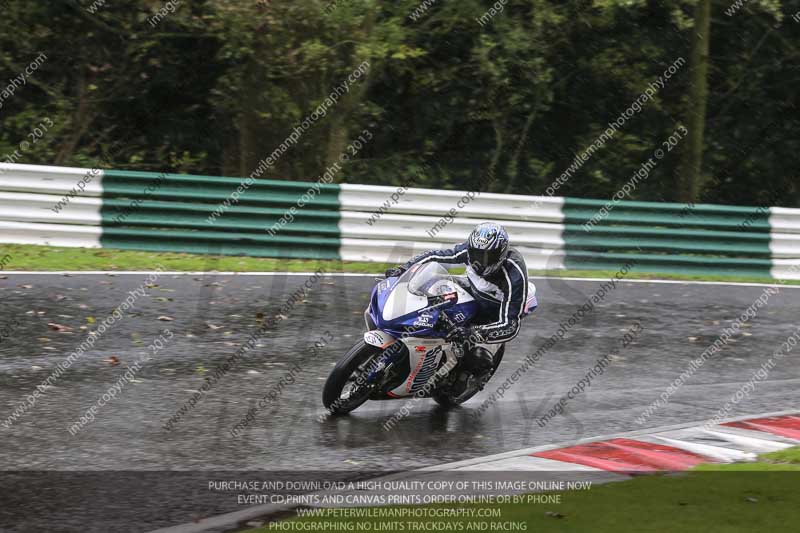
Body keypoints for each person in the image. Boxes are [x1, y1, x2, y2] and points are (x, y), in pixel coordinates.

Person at [385, 222, 535, 387]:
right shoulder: (469, 251)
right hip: (473, 287)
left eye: (486, 256)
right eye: (476, 254)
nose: (480, 260)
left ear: (500, 254)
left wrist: (474, 332)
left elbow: (511, 326)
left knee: (478, 355)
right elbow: (435, 256)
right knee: (434, 283)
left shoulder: (514, 274)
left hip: (497, 307)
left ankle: (472, 374)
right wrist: (403, 269)